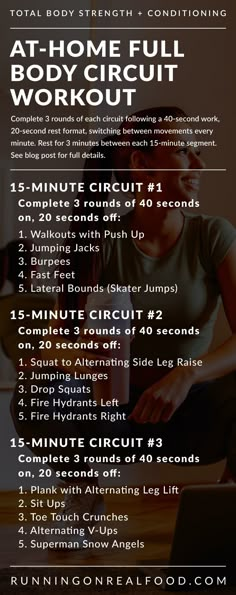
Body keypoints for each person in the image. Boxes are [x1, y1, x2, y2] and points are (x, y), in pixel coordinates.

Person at [10, 107, 236, 545]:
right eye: (184, 151)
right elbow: (58, 344)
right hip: (113, 418)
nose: (198, 165)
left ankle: (225, 505)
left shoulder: (213, 235)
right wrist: (85, 356)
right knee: (36, 392)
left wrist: (187, 374)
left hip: (192, 413)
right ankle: (83, 496)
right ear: (141, 163)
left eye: (196, 151)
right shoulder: (96, 243)